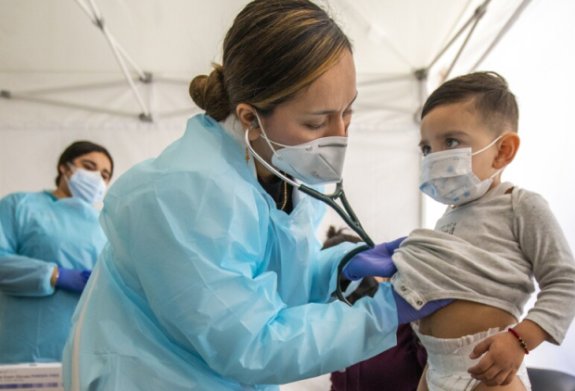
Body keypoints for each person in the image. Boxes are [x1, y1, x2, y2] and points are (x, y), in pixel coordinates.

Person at [62, 1, 448, 390]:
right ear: (250, 117)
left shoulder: (281, 173)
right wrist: (382, 314)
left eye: (348, 112)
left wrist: (340, 267)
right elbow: (252, 344)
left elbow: (276, 289)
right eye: (316, 122)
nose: (340, 135)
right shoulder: (184, 196)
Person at [344, 71, 575, 390]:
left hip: (491, 374)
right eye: (426, 148)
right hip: (436, 368)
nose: (434, 157)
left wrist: (520, 341)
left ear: (503, 150)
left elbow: (565, 281)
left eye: (451, 142)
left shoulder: (520, 205)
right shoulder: (450, 217)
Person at [0, 140, 113, 363]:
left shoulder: (105, 226)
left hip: (87, 353)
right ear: (64, 167)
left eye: (105, 175)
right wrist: (56, 275)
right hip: (25, 348)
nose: (97, 178)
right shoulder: (19, 206)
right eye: (89, 166)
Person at [323, 226, 427, 391]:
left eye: (357, 275)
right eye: (343, 281)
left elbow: (436, 373)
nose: (356, 287)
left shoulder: (405, 320)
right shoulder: (335, 330)